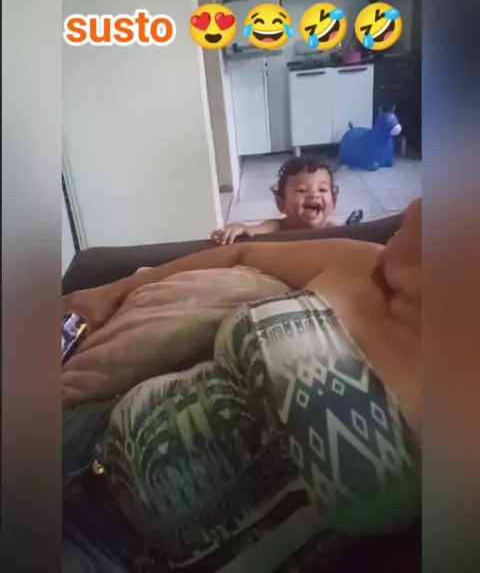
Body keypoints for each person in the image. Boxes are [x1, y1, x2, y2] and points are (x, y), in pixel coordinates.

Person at [63, 199, 421, 572]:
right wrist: (112, 292)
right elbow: (241, 254)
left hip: (126, 556)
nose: (411, 208)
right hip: (92, 436)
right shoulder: (362, 262)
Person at [211, 154, 339, 245]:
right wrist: (242, 229)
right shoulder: (276, 228)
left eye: (322, 190)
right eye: (302, 190)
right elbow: (252, 232)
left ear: (333, 203)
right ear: (281, 203)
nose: (314, 195)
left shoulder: (336, 232)